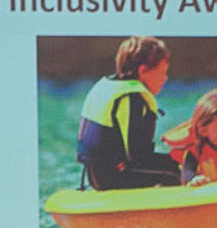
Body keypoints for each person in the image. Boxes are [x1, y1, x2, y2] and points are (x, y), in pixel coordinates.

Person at [75, 37, 182, 190]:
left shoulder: (110, 87)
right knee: (174, 173)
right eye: (162, 72)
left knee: (174, 162)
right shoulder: (132, 99)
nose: (165, 78)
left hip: (95, 175)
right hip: (114, 177)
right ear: (142, 70)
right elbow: (137, 157)